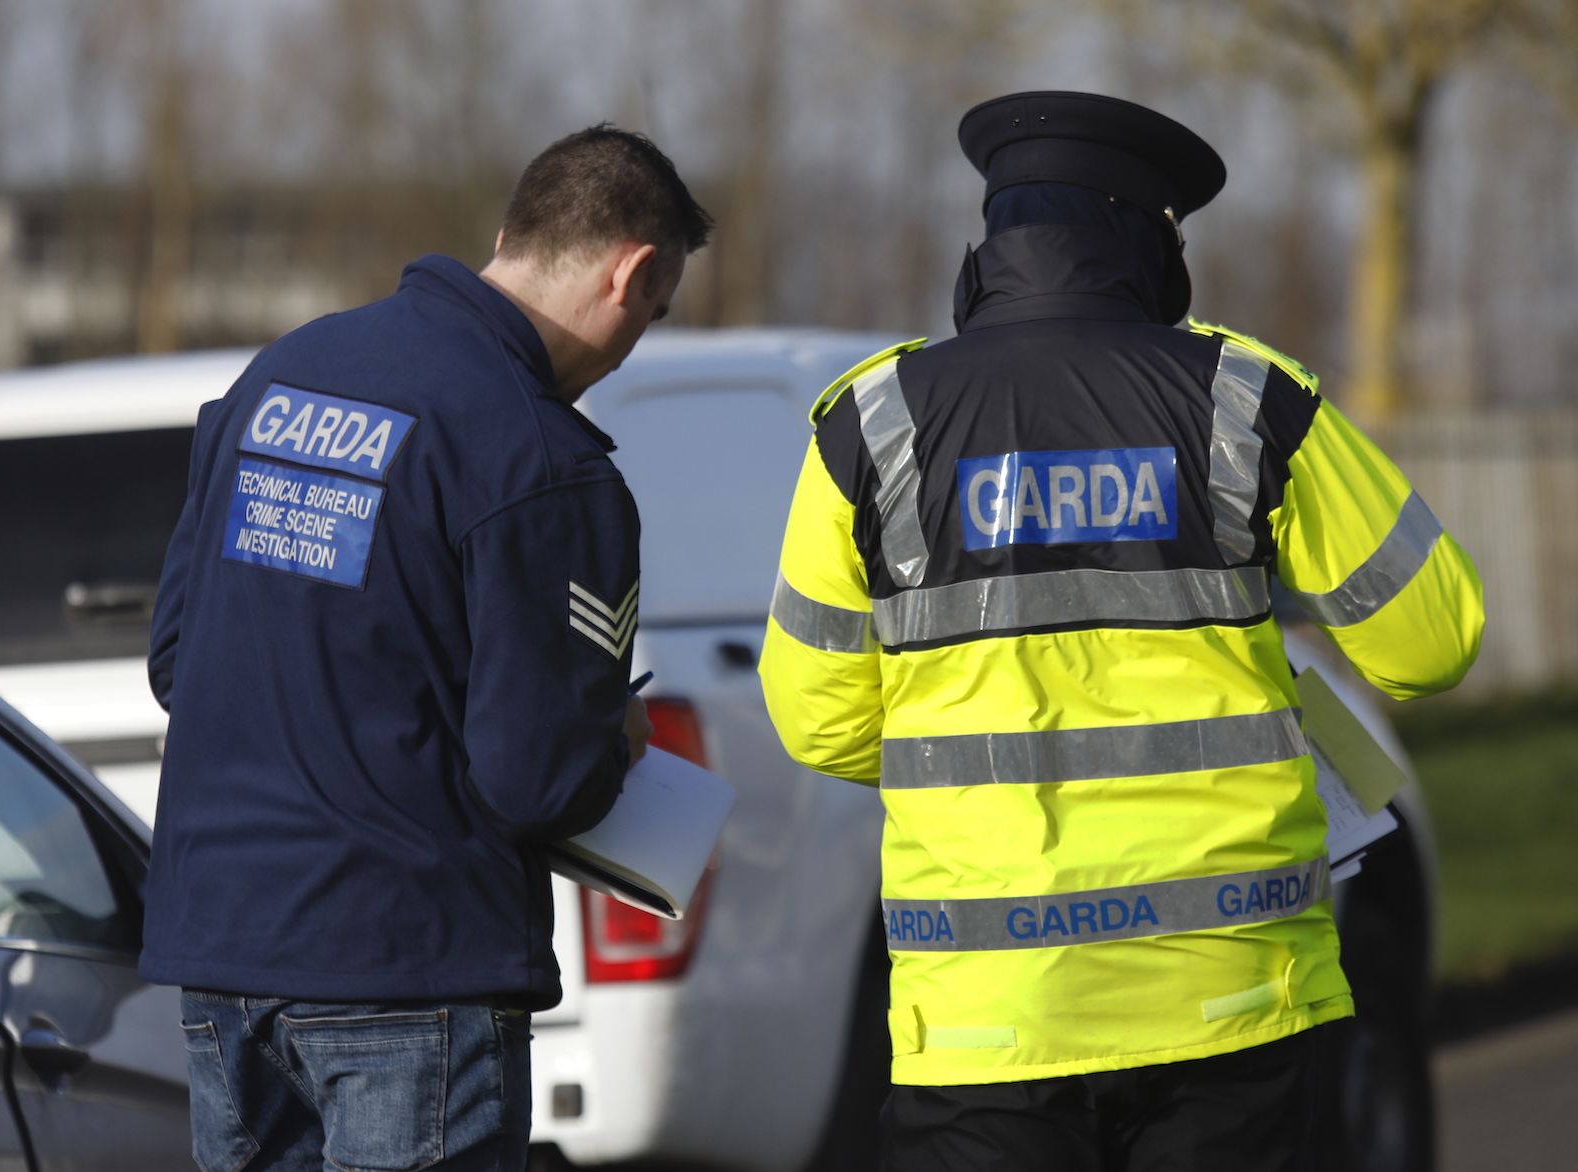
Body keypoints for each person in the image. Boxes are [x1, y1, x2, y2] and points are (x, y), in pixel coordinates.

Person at [760, 91, 1483, 1172]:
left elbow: (818, 722)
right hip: (1229, 1001)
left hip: (982, 1024)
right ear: (1154, 249)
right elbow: (1431, 643)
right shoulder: (1246, 402)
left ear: (986, 253)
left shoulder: (871, 427)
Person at [141, 125, 711, 1171]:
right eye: (655, 313)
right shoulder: (540, 459)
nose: (634, 346)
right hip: (409, 970)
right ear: (631, 275)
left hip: (225, 956)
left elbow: (178, 658)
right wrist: (611, 732)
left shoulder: (282, 372)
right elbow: (537, 779)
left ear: (508, 234)